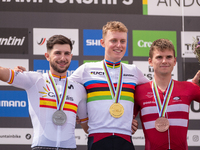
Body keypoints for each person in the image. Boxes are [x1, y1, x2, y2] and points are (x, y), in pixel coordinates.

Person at [68, 21, 149, 150]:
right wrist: (78, 114)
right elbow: (64, 88)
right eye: (113, 40)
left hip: (125, 138)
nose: (119, 45)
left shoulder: (134, 71)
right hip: (97, 138)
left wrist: (132, 115)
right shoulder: (86, 69)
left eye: (123, 41)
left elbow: (155, 91)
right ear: (102, 42)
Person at [0, 35, 88, 150]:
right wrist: (13, 71)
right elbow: (2, 73)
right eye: (57, 53)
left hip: (70, 147)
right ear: (47, 56)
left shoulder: (79, 89)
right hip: (41, 146)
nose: (63, 58)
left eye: (67, 53)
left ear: (71, 56)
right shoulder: (34, 80)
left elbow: (87, 128)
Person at [134, 38, 200, 150]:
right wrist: (128, 124)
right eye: (159, 57)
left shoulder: (188, 88)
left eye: (168, 57)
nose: (164, 61)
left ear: (174, 61)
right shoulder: (139, 91)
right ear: (150, 61)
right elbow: (125, 119)